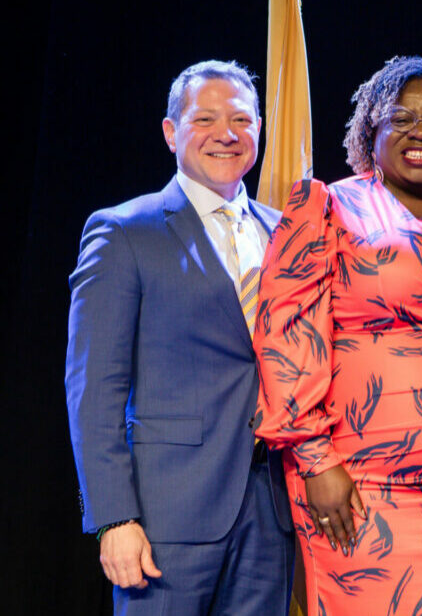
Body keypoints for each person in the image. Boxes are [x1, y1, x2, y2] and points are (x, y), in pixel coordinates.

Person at [254, 56, 422, 614]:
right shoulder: (328, 208)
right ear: (370, 135)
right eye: (400, 119)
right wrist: (315, 460)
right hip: (356, 490)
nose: (421, 132)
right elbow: (287, 336)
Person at [65, 60, 294, 614]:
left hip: (271, 513)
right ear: (171, 133)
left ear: (259, 130)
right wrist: (115, 517)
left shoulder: (285, 232)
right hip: (167, 518)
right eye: (206, 119)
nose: (227, 134)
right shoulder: (124, 231)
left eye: (242, 119)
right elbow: (93, 389)